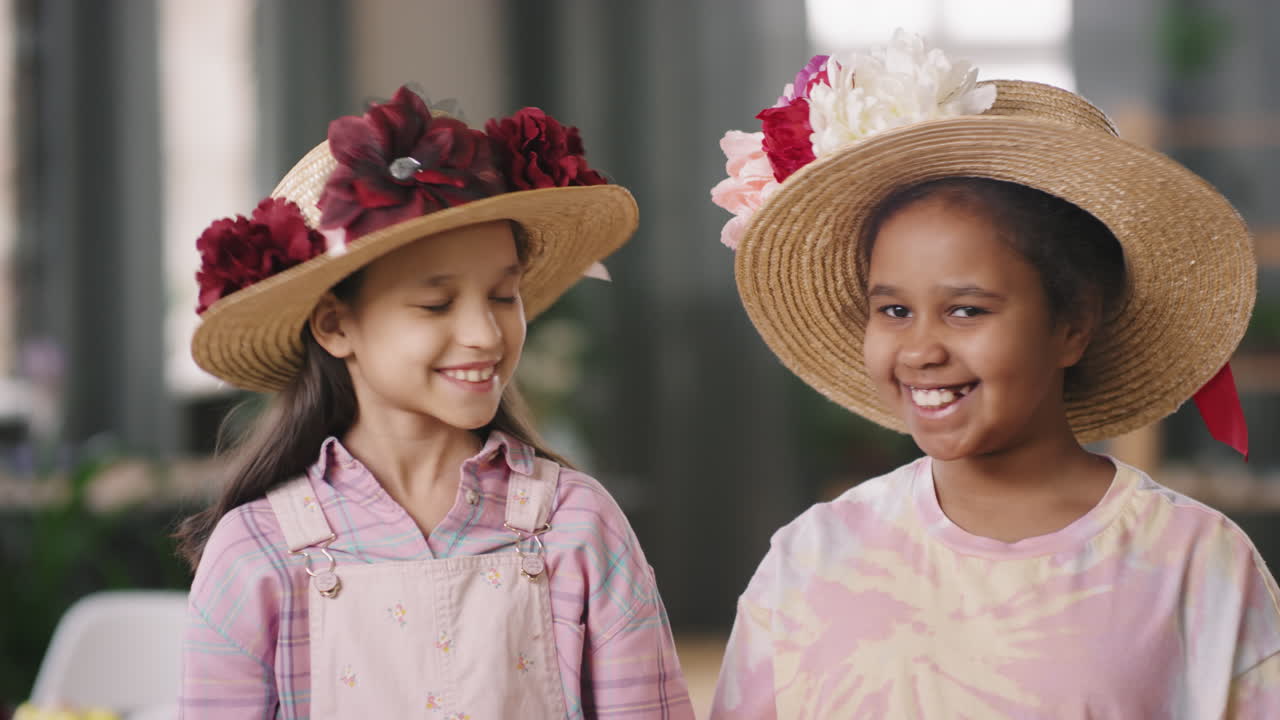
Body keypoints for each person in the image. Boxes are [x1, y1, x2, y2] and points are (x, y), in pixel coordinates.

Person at [708, 30, 1278, 718]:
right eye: (892, 309)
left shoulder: (1193, 561)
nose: (920, 349)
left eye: (966, 310)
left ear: (1072, 324)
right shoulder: (810, 559)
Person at [175, 86, 693, 719]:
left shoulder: (579, 525)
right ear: (336, 325)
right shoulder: (255, 551)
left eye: (504, 296)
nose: (484, 333)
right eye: (436, 304)